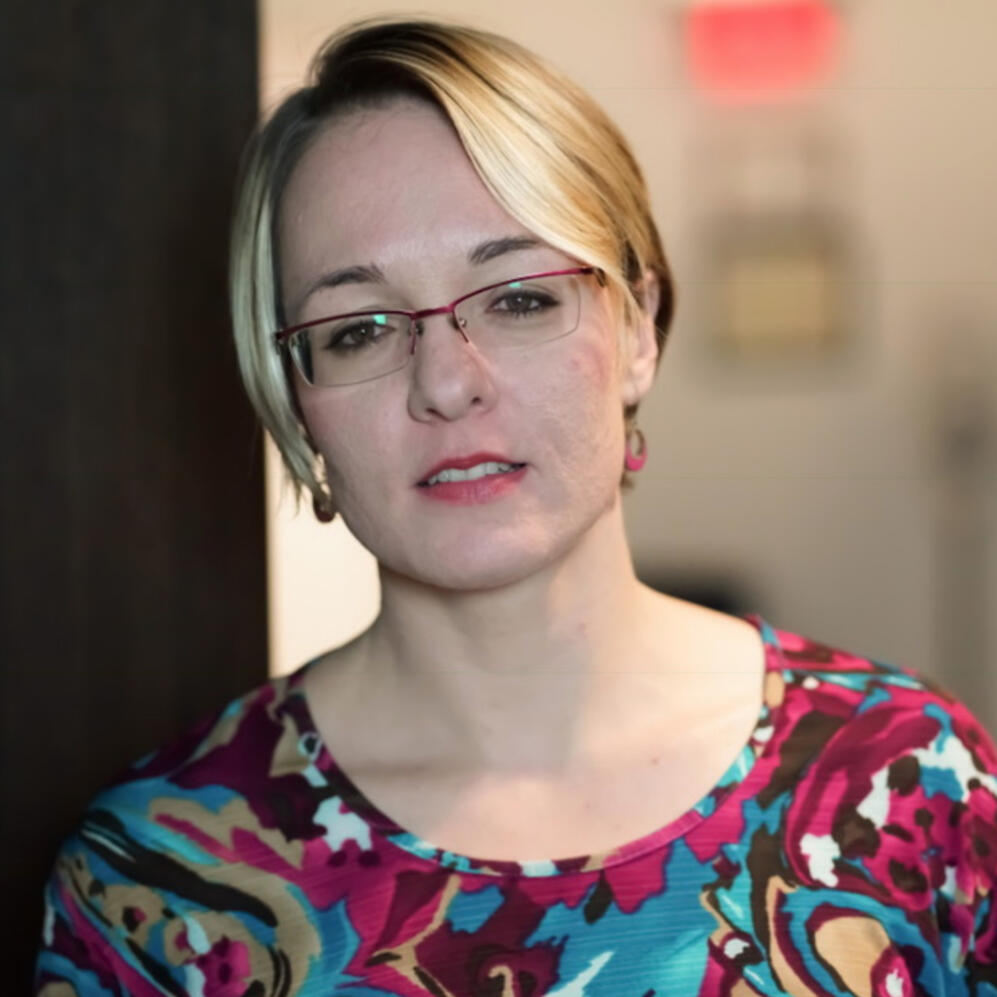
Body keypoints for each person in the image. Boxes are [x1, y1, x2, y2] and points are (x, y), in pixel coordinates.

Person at [35, 16, 996, 997]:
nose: (446, 383)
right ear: (294, 397)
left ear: (637, 331)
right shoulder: (155, 879)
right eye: (360, 329)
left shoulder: (912, 777)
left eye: (520, 297)